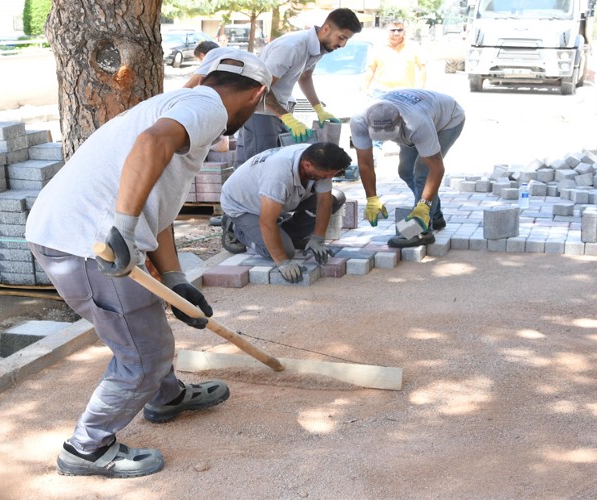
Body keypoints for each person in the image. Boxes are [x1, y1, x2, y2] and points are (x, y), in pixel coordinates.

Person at [25, 49, 271, 478]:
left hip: (69, 232)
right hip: (88, 243)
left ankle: (167, 396)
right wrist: (121, 228)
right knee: (143, 354)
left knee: (144, 328)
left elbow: (157, 209)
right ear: (258, 94)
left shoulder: (180, 103)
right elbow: (150, 145)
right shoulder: (207, 107)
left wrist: (174, 278)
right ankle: (86, 448)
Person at [235, 8, 362, 163]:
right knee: (261, 165)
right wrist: (288, 118)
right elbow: (260, 87)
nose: (343, 44)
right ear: (326, 29)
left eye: (346, 39)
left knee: (274, 162)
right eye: (341, 37)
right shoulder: (292, 47)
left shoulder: (318, 48)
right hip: (260, 111)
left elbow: (305, 76)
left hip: (278, 110)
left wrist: (318, 109)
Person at [219, 142, 351, 283]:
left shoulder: (319, 159)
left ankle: (286, 233)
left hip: (276, 200)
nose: (328, 178)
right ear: (307, 165)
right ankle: (235, 228)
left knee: (336, 198)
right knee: (286, 252)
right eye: (326, 176)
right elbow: (267, 222)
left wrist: (318, 238)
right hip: (243, 207)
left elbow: (324, 201)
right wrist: (282, 262)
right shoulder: (278, 175)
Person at [350, 89, 466, 248]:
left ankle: (419, 231)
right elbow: (365, 163)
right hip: (419, 116)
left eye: (390, 133)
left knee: (422, 171)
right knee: (405, 171)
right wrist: (372, 198)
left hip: (448, 120)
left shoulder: (416, 123)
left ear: (400, 121)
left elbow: (437, 168)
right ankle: (435, 215)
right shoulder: (359, 120)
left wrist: (423, 205)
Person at [361, 18, 427, 97]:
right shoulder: (378, 47)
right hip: (381, 93)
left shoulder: (413, 47)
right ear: (387, 31)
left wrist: (420, 90)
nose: (396, 33)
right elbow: (371, 70)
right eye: (393, 30)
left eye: (400, 30)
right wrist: (365, 89)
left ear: (404, 31)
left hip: (405, 93)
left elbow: (422, 69)